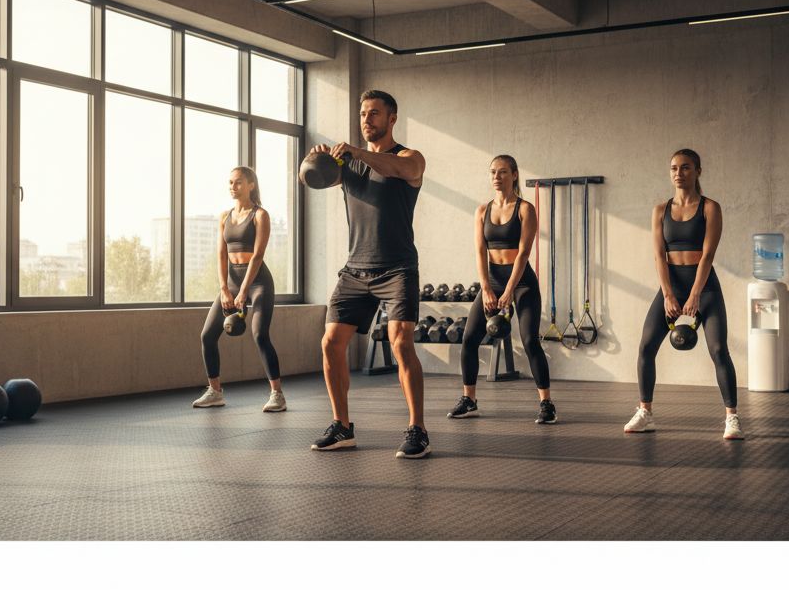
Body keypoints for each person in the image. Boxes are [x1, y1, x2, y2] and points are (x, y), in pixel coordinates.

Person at [307, 90, 430, 458]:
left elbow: (402, 170)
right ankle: (342, 426)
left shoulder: (408, 157)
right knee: (330, 343)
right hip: (356, 269)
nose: (367, 120)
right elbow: (310, 178)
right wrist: (313, 158)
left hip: (397, 267)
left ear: (392, 118)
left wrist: (357, 153)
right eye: (363, 114)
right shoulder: (348, 166)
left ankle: (417, 429)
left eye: (374, 113)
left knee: (401, 342)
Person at [625, 148, 742, 439]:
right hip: (672, 286)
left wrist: (694, 295)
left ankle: (732, 418)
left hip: (705, 287)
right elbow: (659, 256)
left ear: (698, 171)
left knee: (718, 350)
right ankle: (645, 412)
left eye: (686, 168)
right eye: (674, 168)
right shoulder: (660, 210)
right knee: (645, 348)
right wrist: (668, 295)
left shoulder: (709, 208)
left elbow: (708, 255)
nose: (679, 173)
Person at [447, 155, 556, 424]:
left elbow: (523, 254)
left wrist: (508, 292)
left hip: (521, 282)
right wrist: (486, 288)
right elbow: (480, 251)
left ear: (514, 175)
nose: (497, 176)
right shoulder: (482, 211)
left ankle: (546, 404)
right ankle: (469, 399)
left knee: (530, 340)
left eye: (503, 172)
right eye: (493, 172)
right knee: (469, 338)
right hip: (493, 280)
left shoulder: (524, 209)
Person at [192, 166, 285, 413]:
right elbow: (221, 254)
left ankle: (277, 394)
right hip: (232, 281)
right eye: (230, 183)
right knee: (207, 335)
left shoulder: (260, 215)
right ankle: (215, 392)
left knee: (259, 335)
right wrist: (224, 288)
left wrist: (243, 291)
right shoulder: (224, 216)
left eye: (238, 182)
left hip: (258, 282)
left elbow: (258, 255)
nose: (233, 187)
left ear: (251, 185)